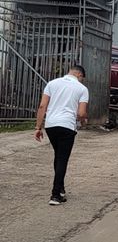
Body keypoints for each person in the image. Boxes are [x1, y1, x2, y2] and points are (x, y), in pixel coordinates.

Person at [35, 64, 89, 205]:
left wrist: (38, 127)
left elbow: (42, 106)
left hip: (51, 125)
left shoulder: (52, 84)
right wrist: (83, 121)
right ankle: (55, 195)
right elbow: (81, 113)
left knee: (58, 156)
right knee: (62, 159)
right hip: (67, 126)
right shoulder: (82, 89)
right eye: (82, 78)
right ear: (79, 75)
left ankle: (61, 188)